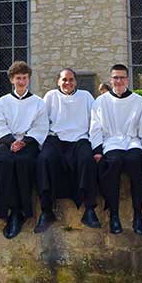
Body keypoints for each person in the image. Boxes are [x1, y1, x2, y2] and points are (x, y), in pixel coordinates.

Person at [89, 64, 142, 235]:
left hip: (133, 141)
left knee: (135, 163)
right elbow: (95, 129)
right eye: (115, 77)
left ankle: (138, 216)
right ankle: (114, 216)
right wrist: (97, 150)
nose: (119, 81)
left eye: (122, 77)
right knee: (113, 163)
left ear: (127, 79)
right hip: (111, 142)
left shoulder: (138, 101)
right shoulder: (101, 102)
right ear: (111, 80)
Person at [0, 61, 49, 239]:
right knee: (5, 162)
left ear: (28, 79)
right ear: (11, 80)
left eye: (24, 78)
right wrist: (11, 141)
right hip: (7, 142)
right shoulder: (3, 102)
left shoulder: (38, 103)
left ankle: (19, 212)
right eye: (18, 78)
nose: (21, 81)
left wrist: (24, 141)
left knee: (23, 162)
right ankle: (6, 210)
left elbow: (41, 126)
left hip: (28, 143)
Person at [37, 68, 101, 232]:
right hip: (55, 137)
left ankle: (89, 209)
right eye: (64, 80)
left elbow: (94, 122)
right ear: (58, 81)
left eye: (71, 79)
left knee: (87, 160)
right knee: (44, 160)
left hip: (80, 138)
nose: (68, 83)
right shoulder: (51, 96)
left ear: (76, 81)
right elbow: (43, 121)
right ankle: (46, 210)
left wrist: (96, 147)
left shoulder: (86, 97)